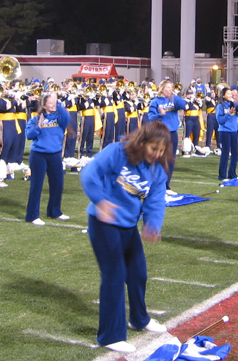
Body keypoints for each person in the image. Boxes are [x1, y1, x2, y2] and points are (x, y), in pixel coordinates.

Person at [80, 121, 171, 354]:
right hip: (103, 222)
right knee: (115, 274)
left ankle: (139, 319)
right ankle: (110, 335)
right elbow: (89, 173)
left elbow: (156, 200)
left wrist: (153, 224)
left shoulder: (157, 170)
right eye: (153, 149)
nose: (157, 155)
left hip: (128, 226)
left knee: (138, 273)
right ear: (142, 142)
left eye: (161, 151)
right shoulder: (116, 151)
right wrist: (100, 201)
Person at [24, 92, 70, 225]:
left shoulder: (59, 118)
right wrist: (39, 126)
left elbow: (66, 117)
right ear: (44, 105)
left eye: (54, 102)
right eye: (50, 103)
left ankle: (54, 211)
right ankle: (32, 215)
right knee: (36, 185)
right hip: (38, 155)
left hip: (55, 155)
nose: (53, 105)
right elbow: (28, 135)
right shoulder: (36, 118)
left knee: (58, 184)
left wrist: (58, 102)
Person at [216, 87, 238, 181]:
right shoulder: (220, 106)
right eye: (228, 94)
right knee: (225, 153)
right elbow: (220, 121)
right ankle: (222, 175)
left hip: (233, 131)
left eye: (231, 94)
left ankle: (232, 174)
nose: (230, 95)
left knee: (235, 153)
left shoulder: (233, 104)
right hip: (224, 131)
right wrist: (228, 114)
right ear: (223, 95)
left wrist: (237, 101)